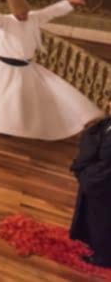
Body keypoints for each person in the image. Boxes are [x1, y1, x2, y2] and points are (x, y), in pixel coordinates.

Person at [0, 0, 102, 140]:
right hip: (5, 69)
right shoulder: (4, 22)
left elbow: (51, 11)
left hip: (26, 68)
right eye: (21, 14)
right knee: (4, 99)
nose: (24, 17)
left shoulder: (33, 18)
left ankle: (20, 124)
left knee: (26, 98)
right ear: (14, 12)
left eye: (26, 13)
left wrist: (70, 1)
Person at [70, 99, 111, 268]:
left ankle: (103, 258)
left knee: (102, 221)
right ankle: (92, 244)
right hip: (95, 179)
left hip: (103, 183)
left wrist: (88, 175)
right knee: (92, 216)